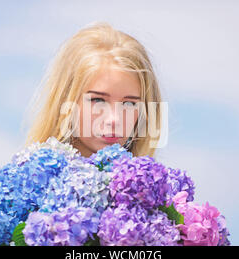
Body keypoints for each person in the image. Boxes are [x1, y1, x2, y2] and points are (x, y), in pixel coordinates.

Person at [23, 22, 164, 158]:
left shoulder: (158, 181)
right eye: (98, 100)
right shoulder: (28, 179)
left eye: (129, 103)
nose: (114, 119)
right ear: (66, 100)